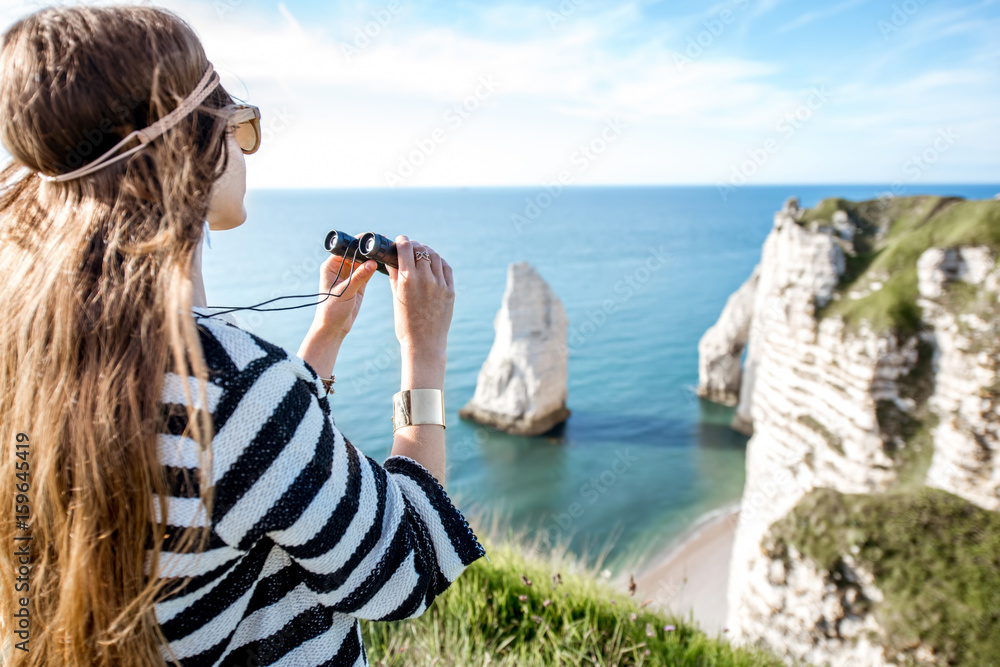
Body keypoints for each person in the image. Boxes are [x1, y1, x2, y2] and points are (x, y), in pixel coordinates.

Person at [0, 5, 484, 666]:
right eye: (238, 120)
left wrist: (324, 335)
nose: (245, 143)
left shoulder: (32, 351)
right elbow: (408, 568)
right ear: (187, 143)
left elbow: (246, 469)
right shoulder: (231, 389)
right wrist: (423, 355)